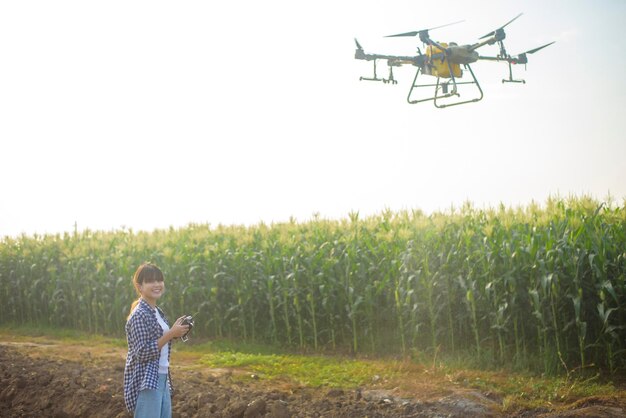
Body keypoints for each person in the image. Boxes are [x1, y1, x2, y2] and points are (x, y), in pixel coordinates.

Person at [123, 262, 190, 417]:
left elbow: (159, 341)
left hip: (162, 376)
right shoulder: (139, 315)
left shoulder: (157, 311)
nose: (157, 284)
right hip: (147, 380)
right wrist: (170, 333)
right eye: (151, 281)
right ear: (140, 287)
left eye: (159, 280)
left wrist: (175, 333)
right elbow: (143, 352)